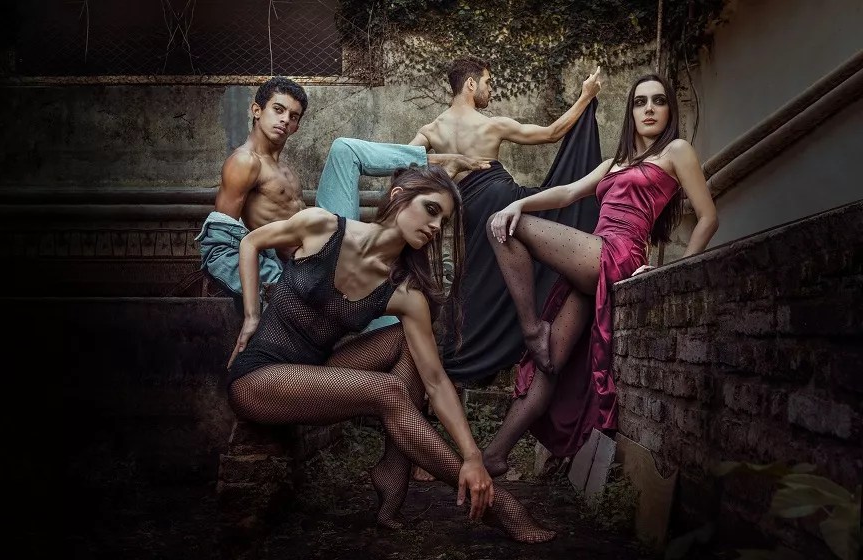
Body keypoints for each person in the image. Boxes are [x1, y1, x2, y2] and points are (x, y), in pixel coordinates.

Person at [225, 163, 556, 543]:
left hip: (316, 368)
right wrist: (251, 316)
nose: (435, 226)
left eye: (443, 221)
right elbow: (250, 242)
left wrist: (472, 455)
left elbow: (435, 381)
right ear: (399, 197)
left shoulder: (404, 293)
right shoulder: (321, 227)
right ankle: (502, 507)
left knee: (409, 341)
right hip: (258, 377)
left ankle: (394, 468)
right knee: (388, 391)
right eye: (431, 209)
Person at [482, 73, 719, 477]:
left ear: (669, 110)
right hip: (593, 258)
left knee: (500, 227)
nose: (649, 109)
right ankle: (495, 455)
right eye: (640, 102)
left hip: (619, 254)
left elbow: (708, 217)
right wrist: (519, 204)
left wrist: (676, 272)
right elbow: (567, 192)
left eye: (658, 101)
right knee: (549, 363)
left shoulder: (677, 151)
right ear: (630, 112)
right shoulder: (614, 163)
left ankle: (531, 328)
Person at [196, 76, 487, 310]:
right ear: (257, 110)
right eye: (278, 109)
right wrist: (275, 287)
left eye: (293, 116)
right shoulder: (244, 162)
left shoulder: (282, 168)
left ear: (297, 126)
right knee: (344, 149)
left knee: (390, 308)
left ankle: (427, 165)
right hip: (309, 267)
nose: (285, 120)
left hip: (324, 248)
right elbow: (220, 244)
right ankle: (431, 162)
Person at [408, 55, 604, 386]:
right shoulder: (491, 124)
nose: (490, 90)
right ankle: (526, 336)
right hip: (502, 200)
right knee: (557, 218)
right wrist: (586, 96)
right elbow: (552, 133)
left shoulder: (430, 130)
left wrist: (443, 159)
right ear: (470, 84)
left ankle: (464, 363)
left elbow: (402, 163)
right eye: (488, 83)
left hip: (471, 210)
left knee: (482, 280)